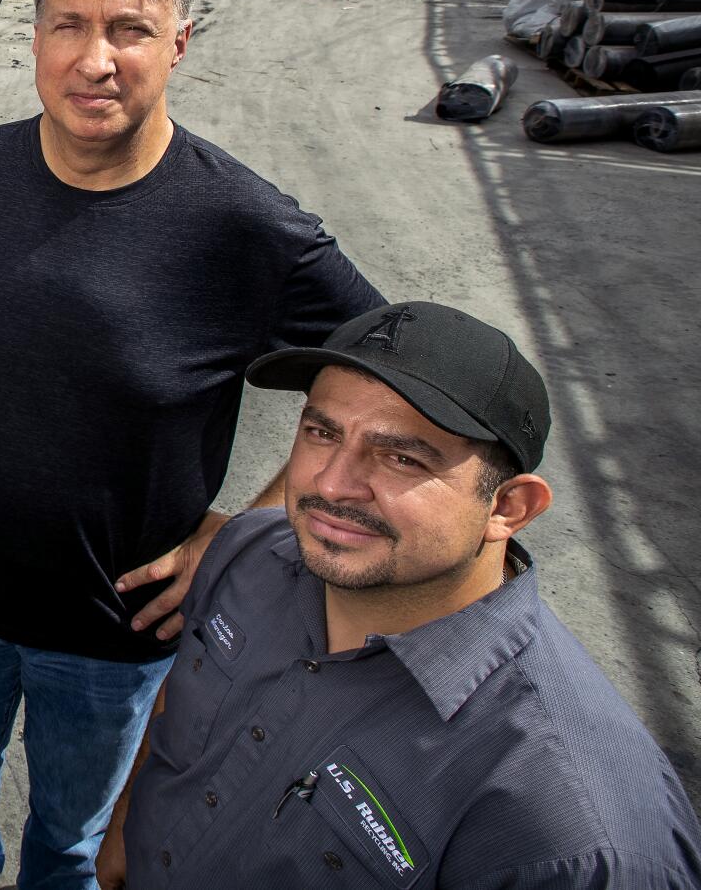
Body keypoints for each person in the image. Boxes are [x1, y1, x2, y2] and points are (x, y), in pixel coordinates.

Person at [0, 0, 385, 890]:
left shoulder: (243, 226)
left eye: (128, 28)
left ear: (178, 41)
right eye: (68, 24)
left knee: (75, 825)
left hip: (114, 635)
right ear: (34, 39)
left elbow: (389, 379)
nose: (94, 57)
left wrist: (254, 525)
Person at [98, 300, 701, 888]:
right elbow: (181, 712)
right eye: (321, 431)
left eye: (402, 457)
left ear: (508, 507)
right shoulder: (253, 552)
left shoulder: (575, 833)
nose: (333, 483)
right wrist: (124, 830)